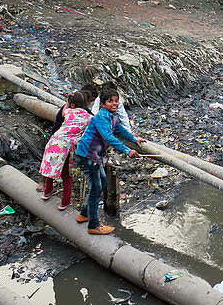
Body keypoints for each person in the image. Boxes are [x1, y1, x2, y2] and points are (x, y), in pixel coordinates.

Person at [74, 88, 145, 235]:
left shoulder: (111, 117)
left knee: (103, 182)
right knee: (96, 189)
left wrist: (134, 139)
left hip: (93, 157)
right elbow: (108, 137)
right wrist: (127, 150)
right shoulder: (101, 117)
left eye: (116, 101)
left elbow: (119, 131)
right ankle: (93, 225)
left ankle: (84, 214)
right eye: (110, 101)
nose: (114, 103)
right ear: (102, 104)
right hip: (88, 157)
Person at [38, 90, 92, 210]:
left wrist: (67, 103)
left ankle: (47, 192)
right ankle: (65, 202)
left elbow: (63, 112)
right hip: (64, 148)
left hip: (53, 142)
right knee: (66, 174)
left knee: (50, 168)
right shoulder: (89, 117)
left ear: (72, 104)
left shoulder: (68, 112)